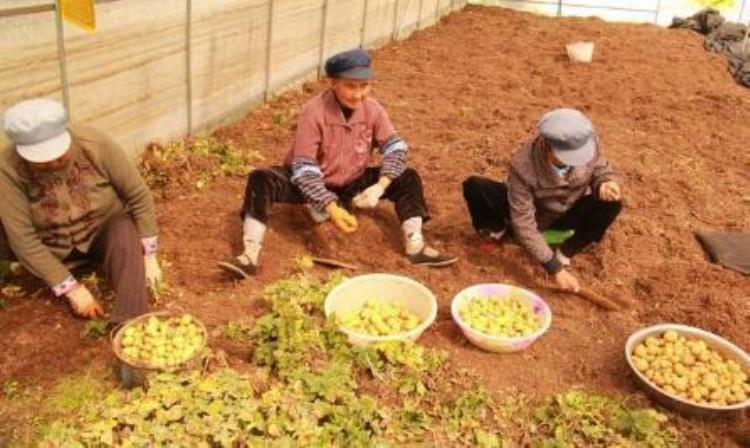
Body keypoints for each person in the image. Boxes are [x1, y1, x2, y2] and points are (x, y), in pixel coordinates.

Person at [219, 49, 456, 278]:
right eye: (350, 86)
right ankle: (249, 255)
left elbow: (396, 148)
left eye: (364, 86)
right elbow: (303, 169)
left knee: (407, 177)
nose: (358, 94)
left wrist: (379, 187)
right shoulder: (314, 112)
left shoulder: (372, 110)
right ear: (333, 83)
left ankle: (415, 246)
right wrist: (331, 207)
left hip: (352, 178)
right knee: (261, 178)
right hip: (312, 182)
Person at [0, 98, 162, 322]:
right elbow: (23, 238)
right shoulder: (7, 168)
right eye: (43, 161)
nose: (54, 163)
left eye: (59, 156)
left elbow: (137, 194)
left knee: (124, 229)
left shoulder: (94, 143)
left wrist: (149, 256)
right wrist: (71, 289)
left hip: (102, 232)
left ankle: (130, 319)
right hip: (51, 246)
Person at [462, 108, 622, 292]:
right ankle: (499, 231)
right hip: (537, 215)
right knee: (475, 186)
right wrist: (554, 269)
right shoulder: (524, 165)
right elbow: (524, 222)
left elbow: (600, 167)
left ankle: (565, 251)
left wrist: (604, 182)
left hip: (567, 213)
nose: (576, 161)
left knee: (612, 204)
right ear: (547, 145)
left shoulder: (586, 143)